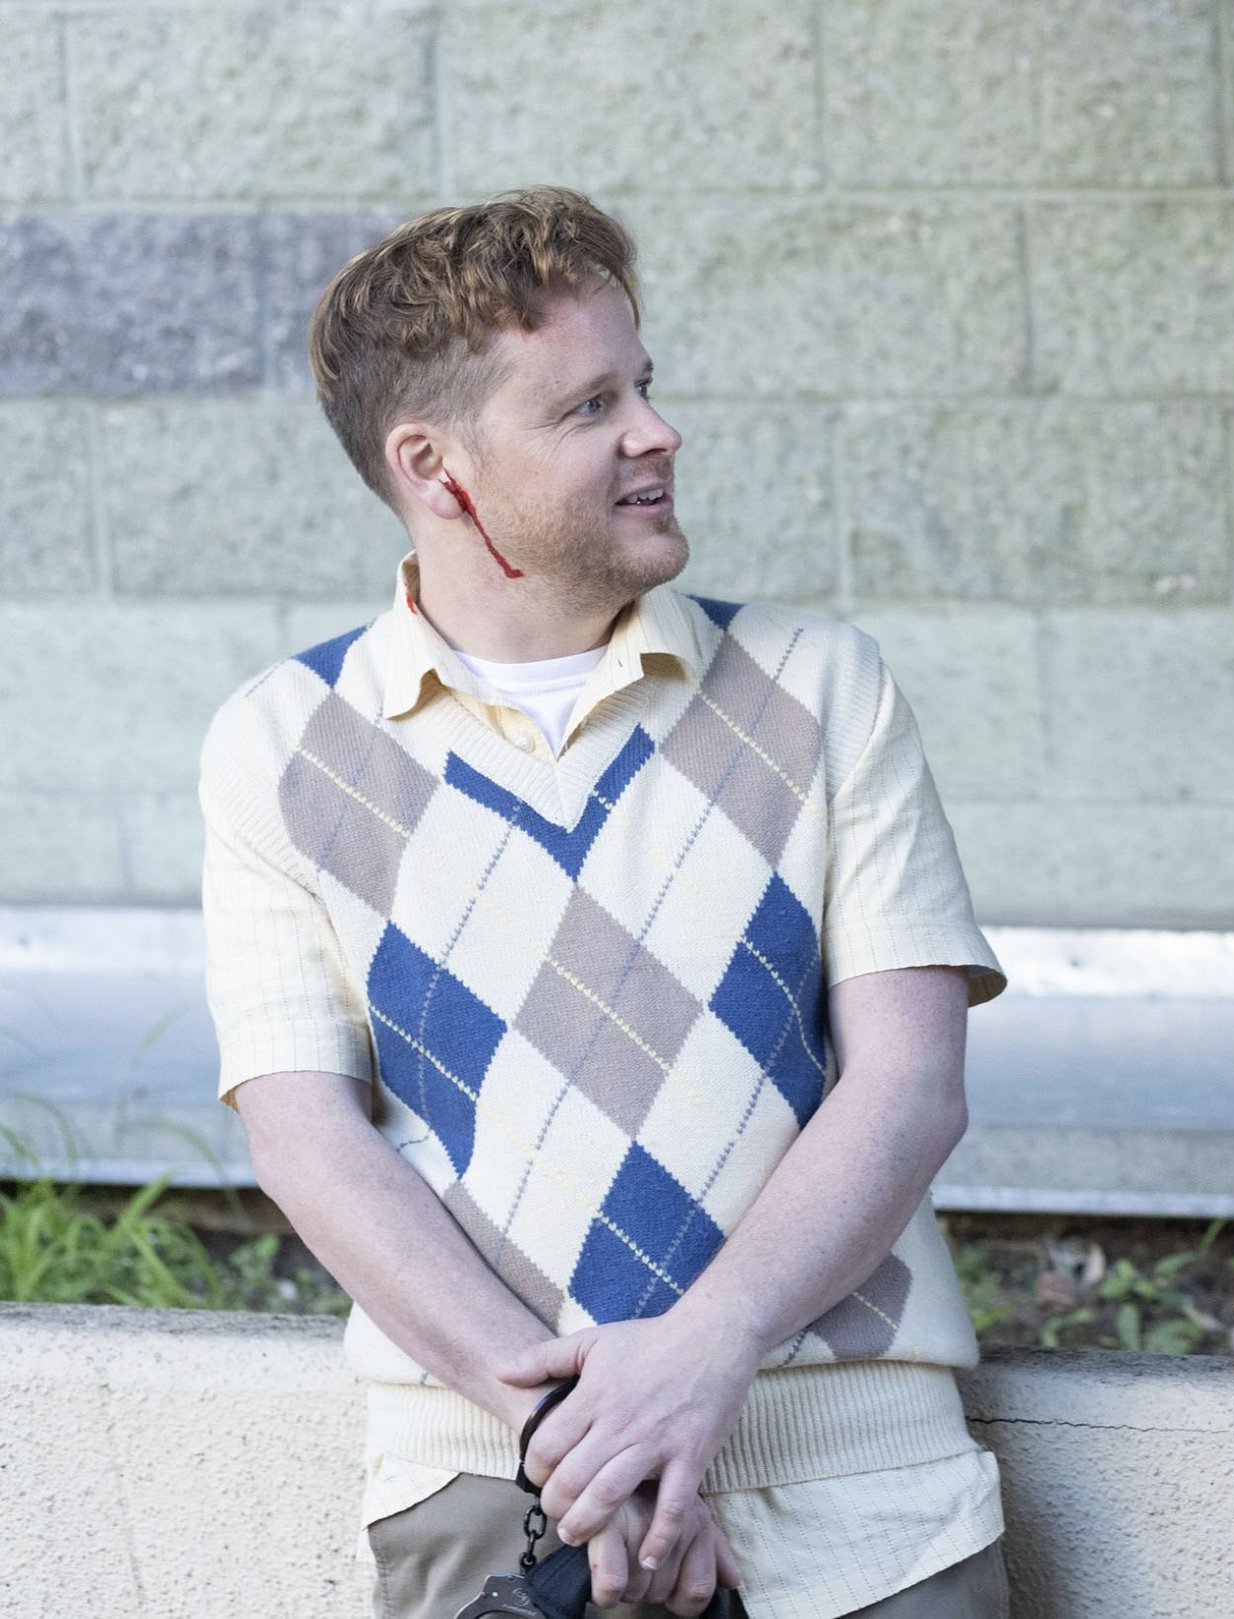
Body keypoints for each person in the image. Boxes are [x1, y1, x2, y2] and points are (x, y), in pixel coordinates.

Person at [201, 188, 1010, 1619]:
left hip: (849, 1470)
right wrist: (583, 1445)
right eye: (588, 406)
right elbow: (306, 1137)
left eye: (645, 385)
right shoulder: (281, 745)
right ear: (437, 469)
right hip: (501, 1485)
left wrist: (704, 1360)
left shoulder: (823, 690)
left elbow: (910, 1084)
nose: (657, 430)